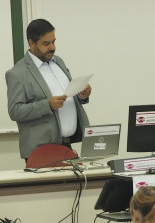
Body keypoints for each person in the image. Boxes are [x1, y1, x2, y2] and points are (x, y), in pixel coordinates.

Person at [5, 18, 92, 160]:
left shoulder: (59, 62)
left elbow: (67, 96)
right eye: (46, 43)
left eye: (53, 41)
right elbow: (15, 111)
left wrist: (81, 95)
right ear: (31, 42)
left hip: (66, 145)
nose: (52, 47)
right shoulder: (17, 73)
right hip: (41, 150)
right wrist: (47, 105)